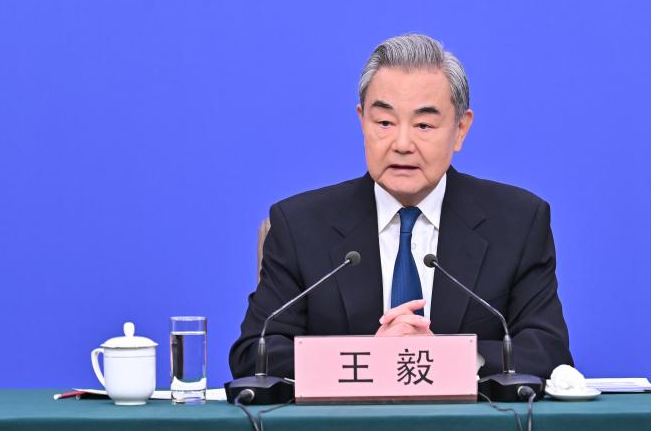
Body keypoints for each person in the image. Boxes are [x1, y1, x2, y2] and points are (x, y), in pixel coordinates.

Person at [229, 33, 573, 380]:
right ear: (362, 121)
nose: (402, 144)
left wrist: (442, 359)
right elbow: (255, 355)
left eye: (423, 125)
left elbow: (548, 351)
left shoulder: (517, 221)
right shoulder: (300, 226)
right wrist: (371, 358)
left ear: (460, 130)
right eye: (384, 123)